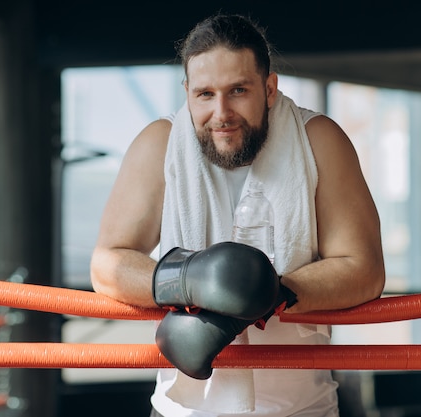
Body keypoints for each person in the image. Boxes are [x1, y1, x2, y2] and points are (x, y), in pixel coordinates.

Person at [90, 13, 385, 417]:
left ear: (269, 88)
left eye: (238, 91)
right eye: (205, 94)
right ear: (187, 91)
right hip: (182, 410)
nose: (221, 112)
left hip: (302, 408)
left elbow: (365, 268)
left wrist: (267, 293)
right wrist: (190, 280)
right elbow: (107, 264)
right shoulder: (158, 144)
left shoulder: (319, 140)